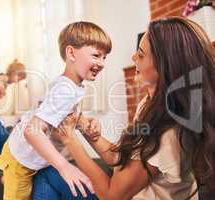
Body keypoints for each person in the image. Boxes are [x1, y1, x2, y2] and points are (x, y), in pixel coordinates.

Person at [32, 17, 215, 200]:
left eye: (141, 55)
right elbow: (120, 160)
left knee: (46, 174)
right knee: (47, 172)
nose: (133, 57)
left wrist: (70, 140)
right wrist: (86, 129)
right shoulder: (149, 105)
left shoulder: (170, 132)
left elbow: (112, 196)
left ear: (164, 67)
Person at [0, 21, 112, 200]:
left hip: (34, 159)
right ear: (71, 53)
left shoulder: (72, 86)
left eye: (104, 57)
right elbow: (32, 131)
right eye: (96, 55)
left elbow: (65, 112)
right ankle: (9, 173)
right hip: (20, 159)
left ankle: (7, 174)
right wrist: (64, 167)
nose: (102, 63)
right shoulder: (65, 90)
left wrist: (85, 121)